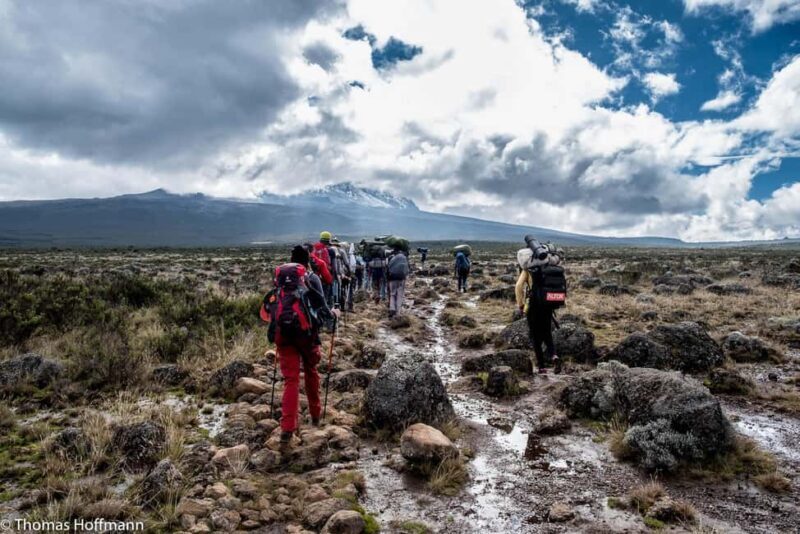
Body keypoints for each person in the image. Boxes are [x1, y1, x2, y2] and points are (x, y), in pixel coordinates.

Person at [271, 245, 339, 444]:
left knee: (290, 380)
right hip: (307, 336)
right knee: (311, 370)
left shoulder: (282, 280)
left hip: (284, 336)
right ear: (308, 261)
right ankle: (316, 415)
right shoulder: (312, 278)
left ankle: (287, 429)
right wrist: (333, 316)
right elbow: (322, 307)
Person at [515, 243, 562, 375]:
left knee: (535, 336)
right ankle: (554, 356)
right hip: (547, 304)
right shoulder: (549, 264)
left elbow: (518, 286)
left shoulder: (528, 268)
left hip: (533, 304)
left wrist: (521, 304)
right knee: (547, 332)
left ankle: (542, 367)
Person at [387, 247, 409, 317]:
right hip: (401, 278)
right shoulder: (404, 258)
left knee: (392, 294)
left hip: (392, 278)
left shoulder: (391, 258)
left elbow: (388, 267)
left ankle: (392, 308)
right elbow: (407, 269)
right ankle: (398, 312)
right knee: (400, 295)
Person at [314, 231, 335, 306]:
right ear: (329, 240)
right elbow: (333, 266)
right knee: (327, 298)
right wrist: (332, 278)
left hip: (313, 278)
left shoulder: (314, 248)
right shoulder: (331, 251)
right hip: (325, 278)